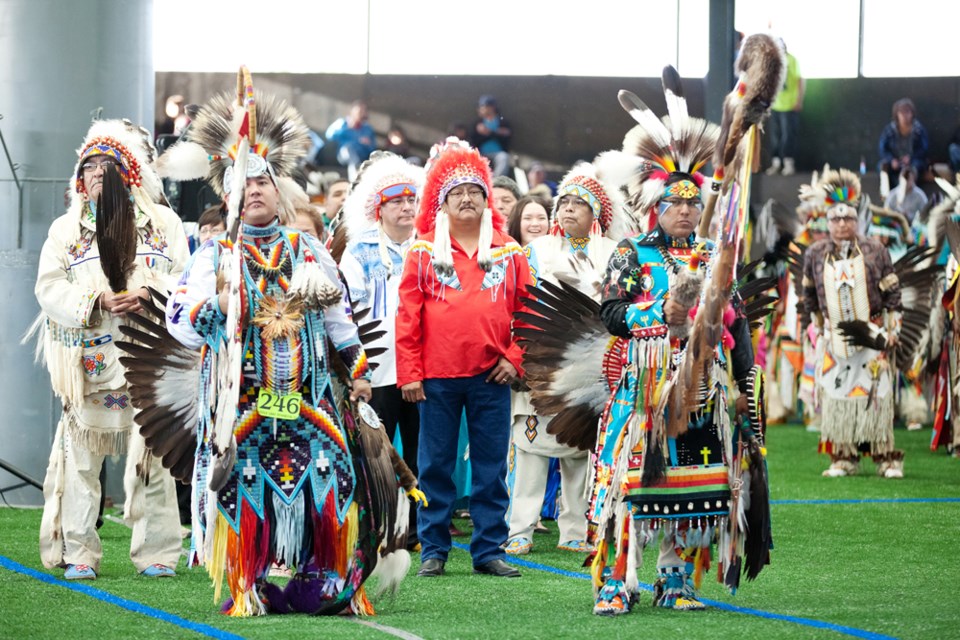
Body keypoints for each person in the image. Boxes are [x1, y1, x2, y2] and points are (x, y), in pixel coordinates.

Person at [163, 84, 394, 616]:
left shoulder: (305, 248)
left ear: (279, 192)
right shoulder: (213, 256)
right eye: (246, 184)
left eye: (264, 182)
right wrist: (218, 305)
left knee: (330, 476)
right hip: (242, 403)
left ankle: (326, 575)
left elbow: (339, 316)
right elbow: (179, 321)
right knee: (244, 489)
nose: (257, 191)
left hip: (309, 400)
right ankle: (249, 582)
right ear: (230, 197)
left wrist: (359, 371)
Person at [33, 119, 189, 580]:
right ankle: (79, 552)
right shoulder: (65, 229)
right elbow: (48, 287)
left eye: (108, 166)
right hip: (90, 359)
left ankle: (157, 552)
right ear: (78, 179)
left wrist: (148, 292)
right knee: (80, 461)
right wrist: (96, 299)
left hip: (149, 358)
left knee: (155, 457)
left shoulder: (165, 224)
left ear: (130, 174)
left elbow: (185, 278)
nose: (97, 174)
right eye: (89, 168)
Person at [396, 138, 530, 579]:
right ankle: (433, 548)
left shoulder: (510, 252)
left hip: (492, 376)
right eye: (457, 193)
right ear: (442, 202)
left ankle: (489, 549)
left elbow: (528, 313)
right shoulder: (421, 251)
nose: (468, 199)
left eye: (475, 191)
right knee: (434, 466)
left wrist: (515, 358)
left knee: (491, 467)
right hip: (436, 378)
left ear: (487, 200)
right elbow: (408, 315)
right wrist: (410, 373)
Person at [506, 162, 625, 557]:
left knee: (582, 447)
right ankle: (520, 527)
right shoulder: (535, 251)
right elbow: (518, 306)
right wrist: (521, 356)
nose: (569, 209)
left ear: (596, 215)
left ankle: (574, 527)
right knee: (531, 446)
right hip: (542, 361)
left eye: (580, 203)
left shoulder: (614, 253)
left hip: (595, 365)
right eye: (565, 202)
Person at [339, 152, 425, 551]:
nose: (407, 207)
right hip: (376, 369)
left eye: (411, 200)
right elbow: (345, 313)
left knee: (424, 450)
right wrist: (356, 368)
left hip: (424, 366)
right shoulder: (358, 251)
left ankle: (420, 530)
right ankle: (382, 527)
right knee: (378, 453)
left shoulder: (428, 248)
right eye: (397, 201)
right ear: (380, 208)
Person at [802, 169, 905, 479]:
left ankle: (885, 458)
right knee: (838, 396)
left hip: (873, 335)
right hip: (835, 338)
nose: (842, 224)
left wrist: (893, 328)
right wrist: (816, 328)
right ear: (827, 221)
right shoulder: (816, 253)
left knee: (877, 395)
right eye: (835, 219)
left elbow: (893, 293)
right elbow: (808, 295)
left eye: (847, 219)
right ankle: (844, 457)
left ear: (857, 221)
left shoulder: (876, 250)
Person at [765, 39, 804, 176]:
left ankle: (788, 163)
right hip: (775, 105)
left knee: (788, 135)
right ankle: (776, 163)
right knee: (775, 136)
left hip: (789, 105)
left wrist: (799, 100)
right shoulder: (771, 62)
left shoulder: (792, 60)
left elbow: (800, 80)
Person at [878, 98, 929, 191]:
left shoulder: (918, 130)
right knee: (882, 165)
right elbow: (883, 149)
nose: (905, 116)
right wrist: (891, 160)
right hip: (895, 163)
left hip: (912, 163)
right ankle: (885, 193)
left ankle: (908, 189)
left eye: (908, 112)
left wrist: (911, 158)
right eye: (902, 113)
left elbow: (924, 149)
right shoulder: (889, 130)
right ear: (897, 115)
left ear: (912, 114)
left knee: (917, 165)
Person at [326, 100, 377, 180]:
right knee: (349, 148)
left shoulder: (368, 129)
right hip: (344, 155)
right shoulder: (342, 123)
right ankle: (355, 179)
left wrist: (367, 144)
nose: (360, 113)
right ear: (352, 111)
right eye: (359, 110)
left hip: (362, 157)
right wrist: (347, 129)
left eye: (363, 111)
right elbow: (329, 135)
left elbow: (373, 148)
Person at [470, 95, 512, 177]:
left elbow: (506, 138)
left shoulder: (502, 122)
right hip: (482, 154)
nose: (482, 109)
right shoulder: (478, 123)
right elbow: (474, 141)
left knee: (504, 157)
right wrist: (496, 133)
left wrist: (489, 132)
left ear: (492, 107)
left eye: (484, 106)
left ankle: (496, 182)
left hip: (498, 153)